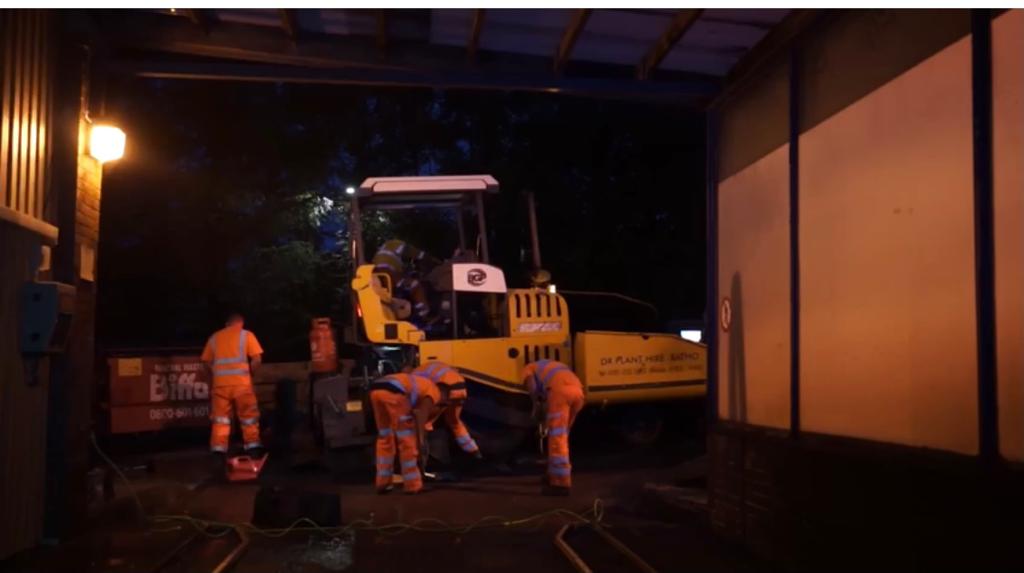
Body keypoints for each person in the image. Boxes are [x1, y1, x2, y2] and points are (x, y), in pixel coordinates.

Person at [201, 313, 265, 461]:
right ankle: (253, 448)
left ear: (227, 324)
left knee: (220, 420)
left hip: (221, 386)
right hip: (242, 385)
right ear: (241, 323)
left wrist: (215, 376)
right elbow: (257, 359)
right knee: (248, 418)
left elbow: (205, 362)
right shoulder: (247, 335)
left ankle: (218, 451)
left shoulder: (214, 337)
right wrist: (250, 374)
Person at [369, 371, 442, 494]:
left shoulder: (420, 383)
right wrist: (421, 439)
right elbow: (422, 414)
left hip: (376, 391)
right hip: (394, 393)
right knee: (407, 439)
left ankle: (383, 482)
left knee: (385, 437)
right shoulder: (435, 392)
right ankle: (413, 484)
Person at [521, 359, 585, 496]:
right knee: (562, 436)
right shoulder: (553, 365)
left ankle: (560, 484)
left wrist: (535, 406)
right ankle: (552, 474)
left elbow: (533, 388)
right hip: (578, 393)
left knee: (557, 439)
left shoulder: (528, 368)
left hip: (560, 393)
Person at [413, 361, 482, 459]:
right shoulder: (423, 383)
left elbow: (453, 421)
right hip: (456, 389)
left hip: (448, 390)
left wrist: (473, 449)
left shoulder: (448, 393)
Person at [372, 239, 439, 321]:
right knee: (415, 285)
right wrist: (436, 262)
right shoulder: (396, 244)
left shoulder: (385, 252)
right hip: (387, 274)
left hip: (382, 277)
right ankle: (424, 315)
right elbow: (419, 254)